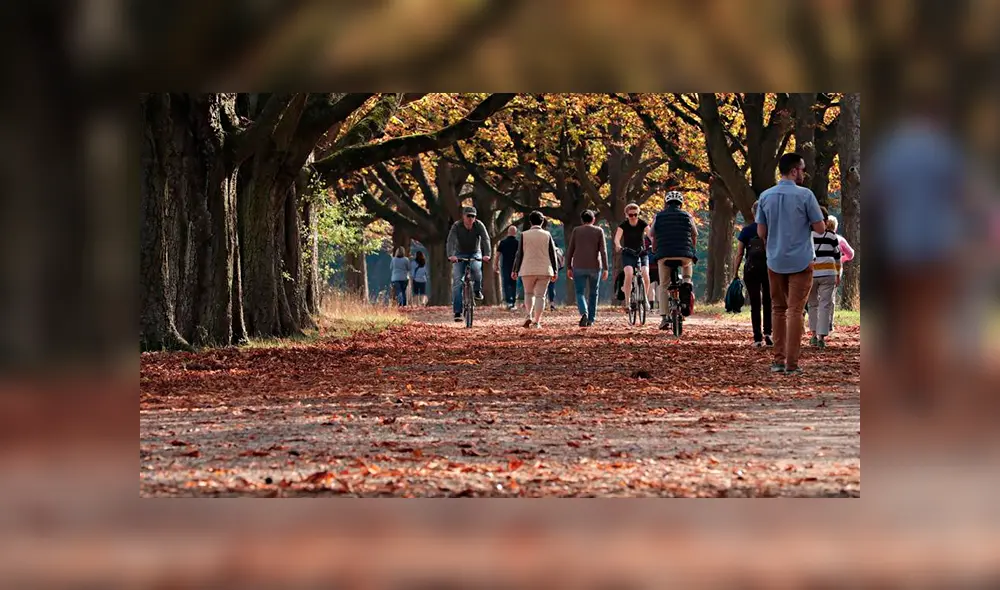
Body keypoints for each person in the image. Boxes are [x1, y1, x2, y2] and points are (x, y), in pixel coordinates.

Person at [756, 153, 827, 374]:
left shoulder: (765, 196)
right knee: (795, 310)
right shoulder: (806, 196)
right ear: (795, 170)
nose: (804, 174)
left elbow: (761, 231)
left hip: (775, 260)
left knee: (778, 309)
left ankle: (778, 360)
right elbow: (820, 228)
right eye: (803, 170)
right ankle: (792, 364)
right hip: (801, 259)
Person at [651, 191, 697, 330]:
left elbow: (652, 235)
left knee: (664, 285)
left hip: (664, 254)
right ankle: (685, 290)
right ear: (681, 204)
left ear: (666, 203)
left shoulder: (658, 217)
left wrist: (655, 250)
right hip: (684, 255)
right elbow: (694, 234)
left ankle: (664, 318)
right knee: (687, 277)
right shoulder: (688, 216)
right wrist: (692, 250)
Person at [734, 201, 772, 347]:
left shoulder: (746, 231)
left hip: (751, 269)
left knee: (755, 303)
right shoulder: (770, 229)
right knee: (768, 301)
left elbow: (739, 254)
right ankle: (768, 332)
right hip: (769, 268)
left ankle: (757, 338)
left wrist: (735, 272)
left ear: (753, 213)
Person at [512, 210, 558, 328]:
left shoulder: (524, 234)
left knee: (528, 293)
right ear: (542, 222)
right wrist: (555, 270)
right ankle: (537, 322)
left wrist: (515, 270)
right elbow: (552, 253)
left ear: (530, 221)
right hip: (544, 269)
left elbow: (519, 254)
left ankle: (528, 315)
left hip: (527, 269)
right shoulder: (547, 235)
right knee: (540, 296)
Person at [446, 206, 491, 322]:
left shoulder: (479, 225)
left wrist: (487, 254)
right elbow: (450, 240)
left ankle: (476, 290)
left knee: (476, 270)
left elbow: (486, 239)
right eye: (468, 216)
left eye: (473, 216)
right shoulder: (456, 226)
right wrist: (451, 255)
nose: (471, 218)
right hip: (459, 253)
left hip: (475, 252)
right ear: (463, 217)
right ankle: (457, 312)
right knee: (457, 282)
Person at [565, 209, 609, 327]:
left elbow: (570, 250)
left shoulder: (576, 231)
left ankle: (584, 312)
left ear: (582, 220)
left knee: (579, 292)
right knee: (594, 293)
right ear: (593, 219)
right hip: (595, 266)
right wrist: (606, 268)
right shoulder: (599, 230)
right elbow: (603, 251)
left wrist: (568, 266)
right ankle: (591, 319)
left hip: (578, 266)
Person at [808, 214, 843, 348]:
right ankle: (821, 337)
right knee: (825, 304)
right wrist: (838, 274)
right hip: (828, 272)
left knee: (812, 304)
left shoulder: (809, 235)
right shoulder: (832, 236)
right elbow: (838, 256)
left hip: (811, 273)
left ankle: (813, 335)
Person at [614, 203, 651, 313]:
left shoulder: (642, 223)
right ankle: (627, 302)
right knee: (629, 273)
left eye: (635, 214)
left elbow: (651, 235)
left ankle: (645, 299)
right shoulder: (623, 225)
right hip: (628, 253)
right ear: (626, 215)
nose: (634, 217)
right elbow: (617, 238)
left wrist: (653, 244)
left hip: (641, 252)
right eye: (631, 215)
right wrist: (618, 246)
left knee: (645, 273)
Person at [494, 226, 520, 310]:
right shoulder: (517, 243)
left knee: (506, 284)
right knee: (513, 284)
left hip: (505, 265)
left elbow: (497, 255)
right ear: (515, 233)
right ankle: (513, 302)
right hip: (515, 266)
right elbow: (520, 255)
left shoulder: (503, 242)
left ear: (508, 232)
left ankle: (509, 301)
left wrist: (496, 265)